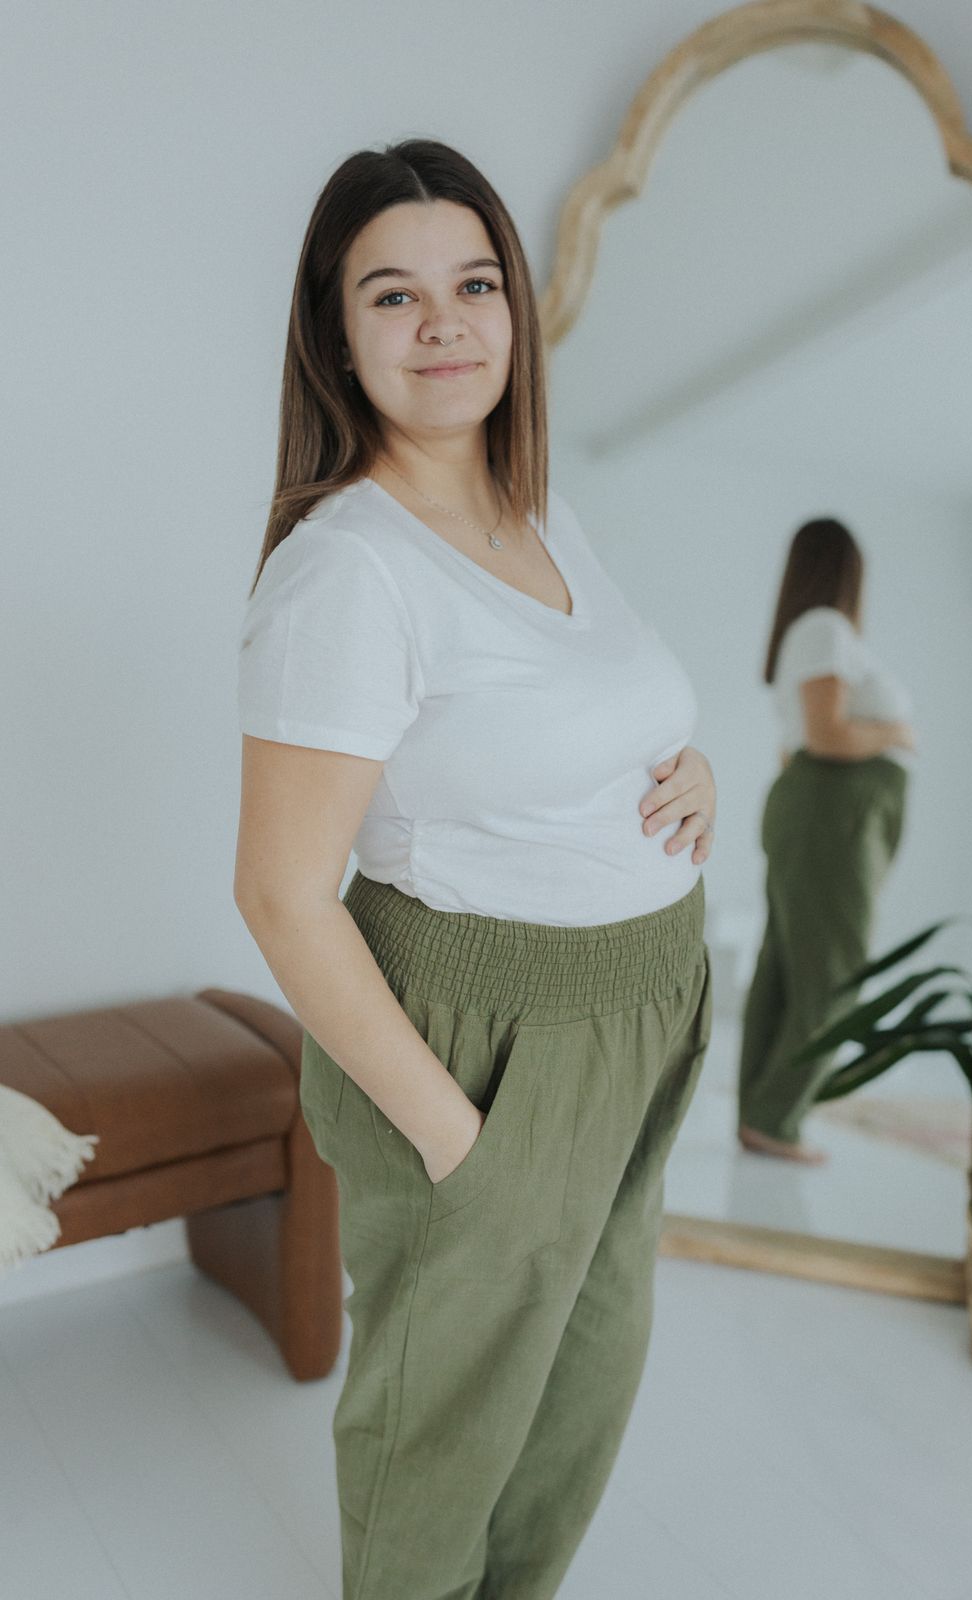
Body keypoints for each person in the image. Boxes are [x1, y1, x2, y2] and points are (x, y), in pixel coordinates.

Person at [233, 138, 718, 1600]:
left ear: (514, 309)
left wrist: (690, 769)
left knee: (580, 1388)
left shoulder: (532, 508)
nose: (442, 322)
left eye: (472, 282)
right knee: (442, 1427)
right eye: (393, 294)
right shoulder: (348, 570)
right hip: (487, 1046)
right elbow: (279, 895)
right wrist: (458, 1142)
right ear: (335, 332)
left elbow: (582, 716)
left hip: (633, 1017)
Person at [736, 517, 916, 1165]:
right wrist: (895, 734)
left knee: (786, 966)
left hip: (820, 811)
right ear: (847, 572)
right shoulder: (826, 630)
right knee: (836, 974)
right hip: (833, 811)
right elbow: (826, 735)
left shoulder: (807, 635)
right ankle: (775, 1116)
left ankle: (761, 1114)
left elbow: (802, 745)